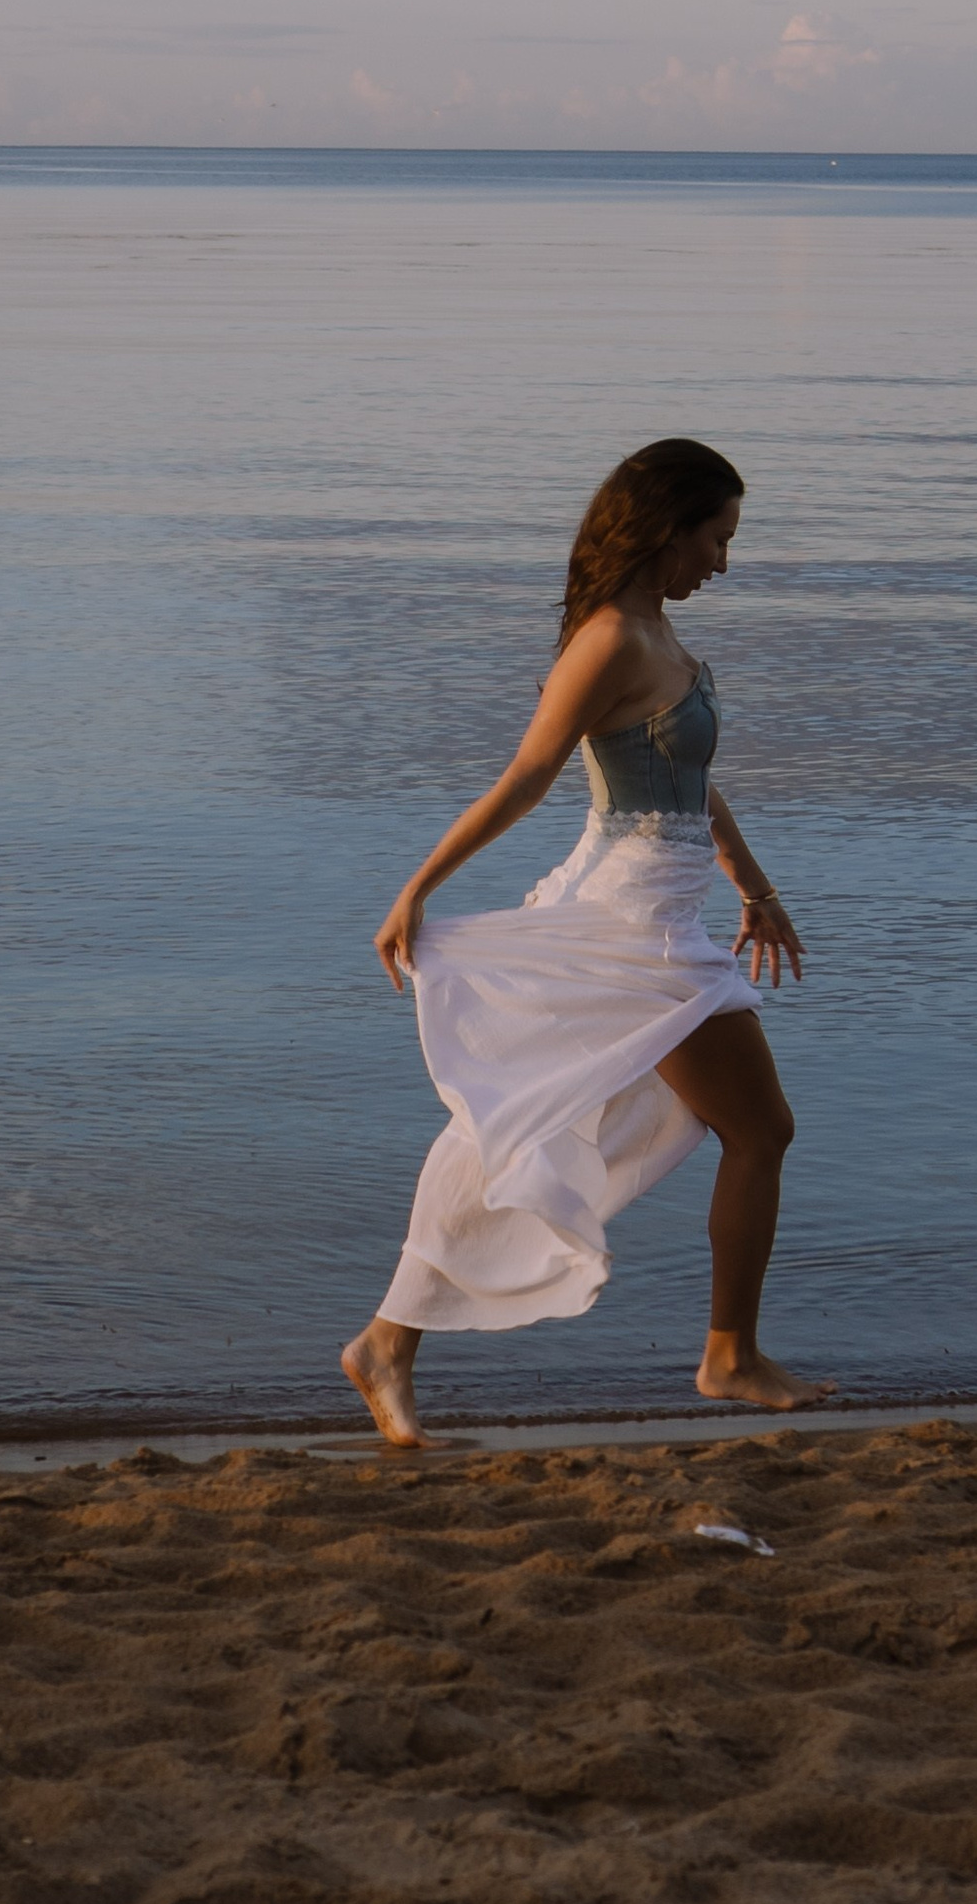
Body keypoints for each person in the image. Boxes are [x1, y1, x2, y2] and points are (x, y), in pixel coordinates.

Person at [341, 437, 832, 1452]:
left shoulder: (650, 632)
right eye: (715, 538)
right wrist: (418, 886)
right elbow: (525, 777)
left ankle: (387, 1344)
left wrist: (754, 887)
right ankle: (727, 1357)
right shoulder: (609, 639)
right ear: (668, 528)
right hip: (629, 931)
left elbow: (689, 785)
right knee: (758, 1130)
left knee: (519, 1132)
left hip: (665, 917)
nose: (723, 563)